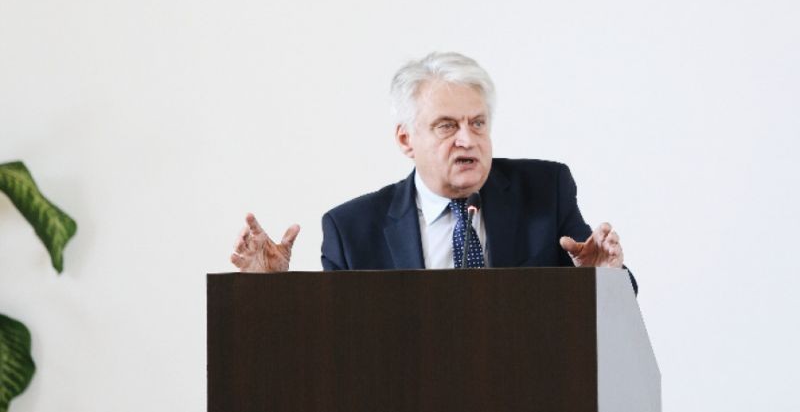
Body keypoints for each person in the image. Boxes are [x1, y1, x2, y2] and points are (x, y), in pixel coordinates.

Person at [230, 52, 635, 292]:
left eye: (478, 123)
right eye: (447, 126)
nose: (467, 140)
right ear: (406, 139)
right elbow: (330, 342)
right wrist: (268, 291)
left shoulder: (546, 191)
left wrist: (604, 279)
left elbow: (609, 307)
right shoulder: (352, 230)